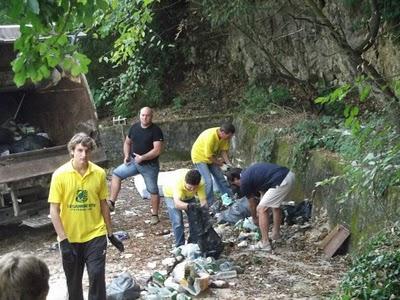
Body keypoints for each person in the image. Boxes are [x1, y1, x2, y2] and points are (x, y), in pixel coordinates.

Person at [48, 132, 124, 300]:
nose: (84, 155)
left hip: (95, 234)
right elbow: (54, 210)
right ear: (72, 151)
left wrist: (110, 234)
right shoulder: (60, 175)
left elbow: (104, 204)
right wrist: (63, 240)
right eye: (80, 150)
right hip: (70, 237)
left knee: (97, 276)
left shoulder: (98, 173)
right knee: (73, 282)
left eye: (87, 151)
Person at [108, 107, 164, 225]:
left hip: (150, 165)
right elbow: (127, 142)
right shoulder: (134, 127)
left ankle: (155, 214)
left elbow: (157, 150)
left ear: (151, 116)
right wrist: (126, 155)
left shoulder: (156, 130)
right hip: (133, 162)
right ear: (139, 115)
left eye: (147, 115)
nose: (145, 117)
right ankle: (111, 203)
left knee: (153, 190)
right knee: (116, 174)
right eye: (143, 115)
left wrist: (143, 157)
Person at [227, 163, 295, 251]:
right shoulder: (250, 172)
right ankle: (276, 235)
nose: (236, 186)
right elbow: (263, 190)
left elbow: (252, 204)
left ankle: (265, 243)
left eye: (234, 184)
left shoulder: (244, 182)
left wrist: (255, 217)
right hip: (289, 175)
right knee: (275, 206)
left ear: (236, 179)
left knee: (261, 209)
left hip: (281, 181)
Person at [191, 122, 235, 206]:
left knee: (220, 178)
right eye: (228, 136)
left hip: (211, 157)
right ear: (222, 132)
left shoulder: (225, 138)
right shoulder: (210, 137)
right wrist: (220, 164)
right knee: (208, 181)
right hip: (199, 157)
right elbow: (209, 157)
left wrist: (229, 164)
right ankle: (208, 204)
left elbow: (224, 151)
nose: (229, 138)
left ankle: (229, 198)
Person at [163, 169, 208, 247]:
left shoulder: (201, 183)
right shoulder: (178, 183)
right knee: (177, 221)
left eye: (195, 188)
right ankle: (180, 246)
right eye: (190, 187)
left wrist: (205, 213)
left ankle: (193, 243)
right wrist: (190, 206)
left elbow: (203, 201)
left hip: (189, 197)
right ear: (185, 182)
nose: (192, 190)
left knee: (195, 218)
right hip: (170, 195)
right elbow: (177, 204)